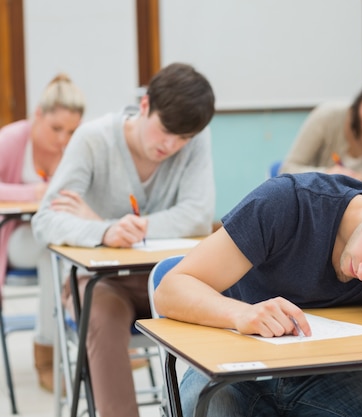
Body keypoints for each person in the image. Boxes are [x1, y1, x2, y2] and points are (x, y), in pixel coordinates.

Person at [154, 172, 362, 417]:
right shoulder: (287, 203)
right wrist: (240, 314)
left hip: (332, 374)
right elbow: (171, 289)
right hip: (234, 368)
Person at [31, 62, 215, 417]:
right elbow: (46, 220)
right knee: (100, 311)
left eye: (184, 139)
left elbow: (198, 215)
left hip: (169, 277)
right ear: (144, 106)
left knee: (225, 299)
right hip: (103, 282)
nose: (171, 145)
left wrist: (109, 223)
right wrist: (103, 233)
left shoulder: (194, 137)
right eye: (165, 131)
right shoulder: (93, 139)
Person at [0, 73, 84, 392]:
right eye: (56, 128)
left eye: (72, 130)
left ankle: (89, 339)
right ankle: (46, 355)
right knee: (53, 250)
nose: (64, 139)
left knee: (63, 250)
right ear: (38, 115)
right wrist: (34, 193)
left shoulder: (75, 148)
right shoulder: (12, 140)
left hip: (53, 232)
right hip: (12, 240)